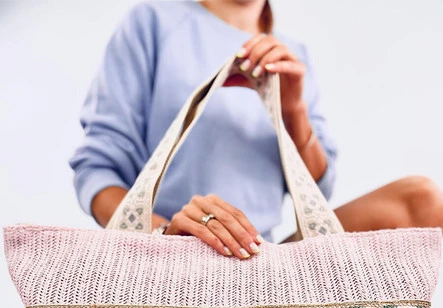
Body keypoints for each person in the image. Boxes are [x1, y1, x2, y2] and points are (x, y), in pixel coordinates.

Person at [69, 0, 443, 259]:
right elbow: (98, 170)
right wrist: (163, 235)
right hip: (172, 253)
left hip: (268, 260)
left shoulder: (293, 52)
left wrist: (293, 109)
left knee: (421, 200)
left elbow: (318, 191)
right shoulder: (152, 22)